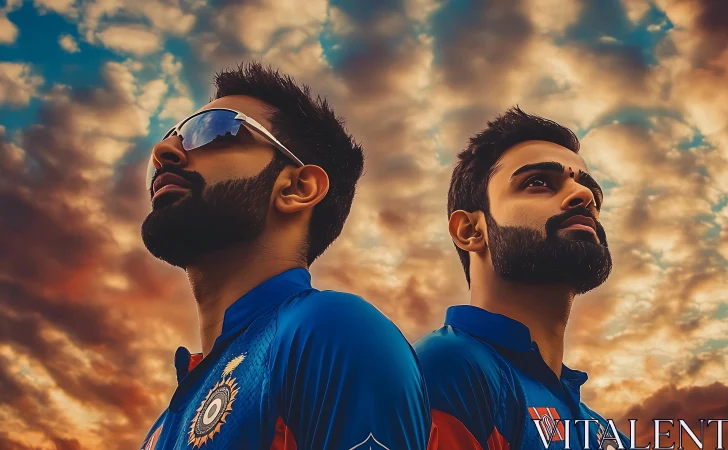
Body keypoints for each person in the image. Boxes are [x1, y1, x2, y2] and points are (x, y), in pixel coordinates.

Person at [138, 62, 430, 450]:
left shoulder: (331, 333)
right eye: (170, 136)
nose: (164, 151)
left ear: (297, 188)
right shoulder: (161, 428)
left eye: (213, 130)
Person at [416, 107, 632, 450]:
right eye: (538, 182)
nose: (585, 196)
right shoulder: (451, 367)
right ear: (471, 230)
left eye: (589, 188)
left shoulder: (603, 432)